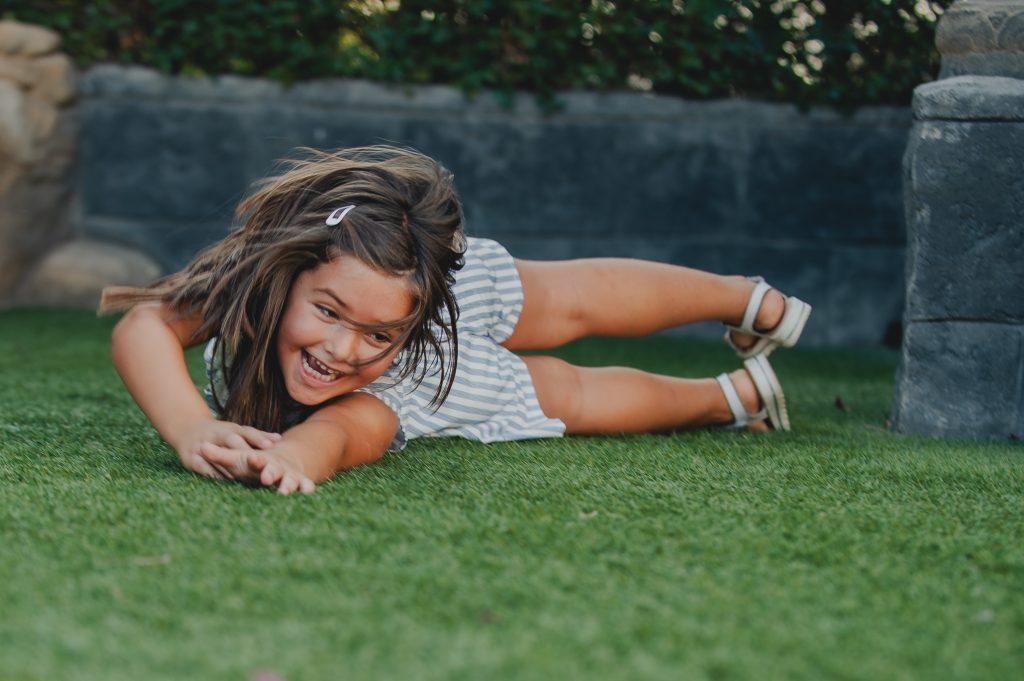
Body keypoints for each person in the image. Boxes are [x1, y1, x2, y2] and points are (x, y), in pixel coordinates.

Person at [102, 145, 811, 495]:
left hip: (432, 311)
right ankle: (737, 374)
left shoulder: (405, 291)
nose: (343, 348)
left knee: (577, 300)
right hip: (426, 379)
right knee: (574, 389)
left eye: (372, 332)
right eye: (327, 312)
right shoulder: (252, 283)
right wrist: (193, 428)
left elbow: (328, 439)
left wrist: (294, 455)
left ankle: (745, 331)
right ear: (289, 275)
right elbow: (341, 429)